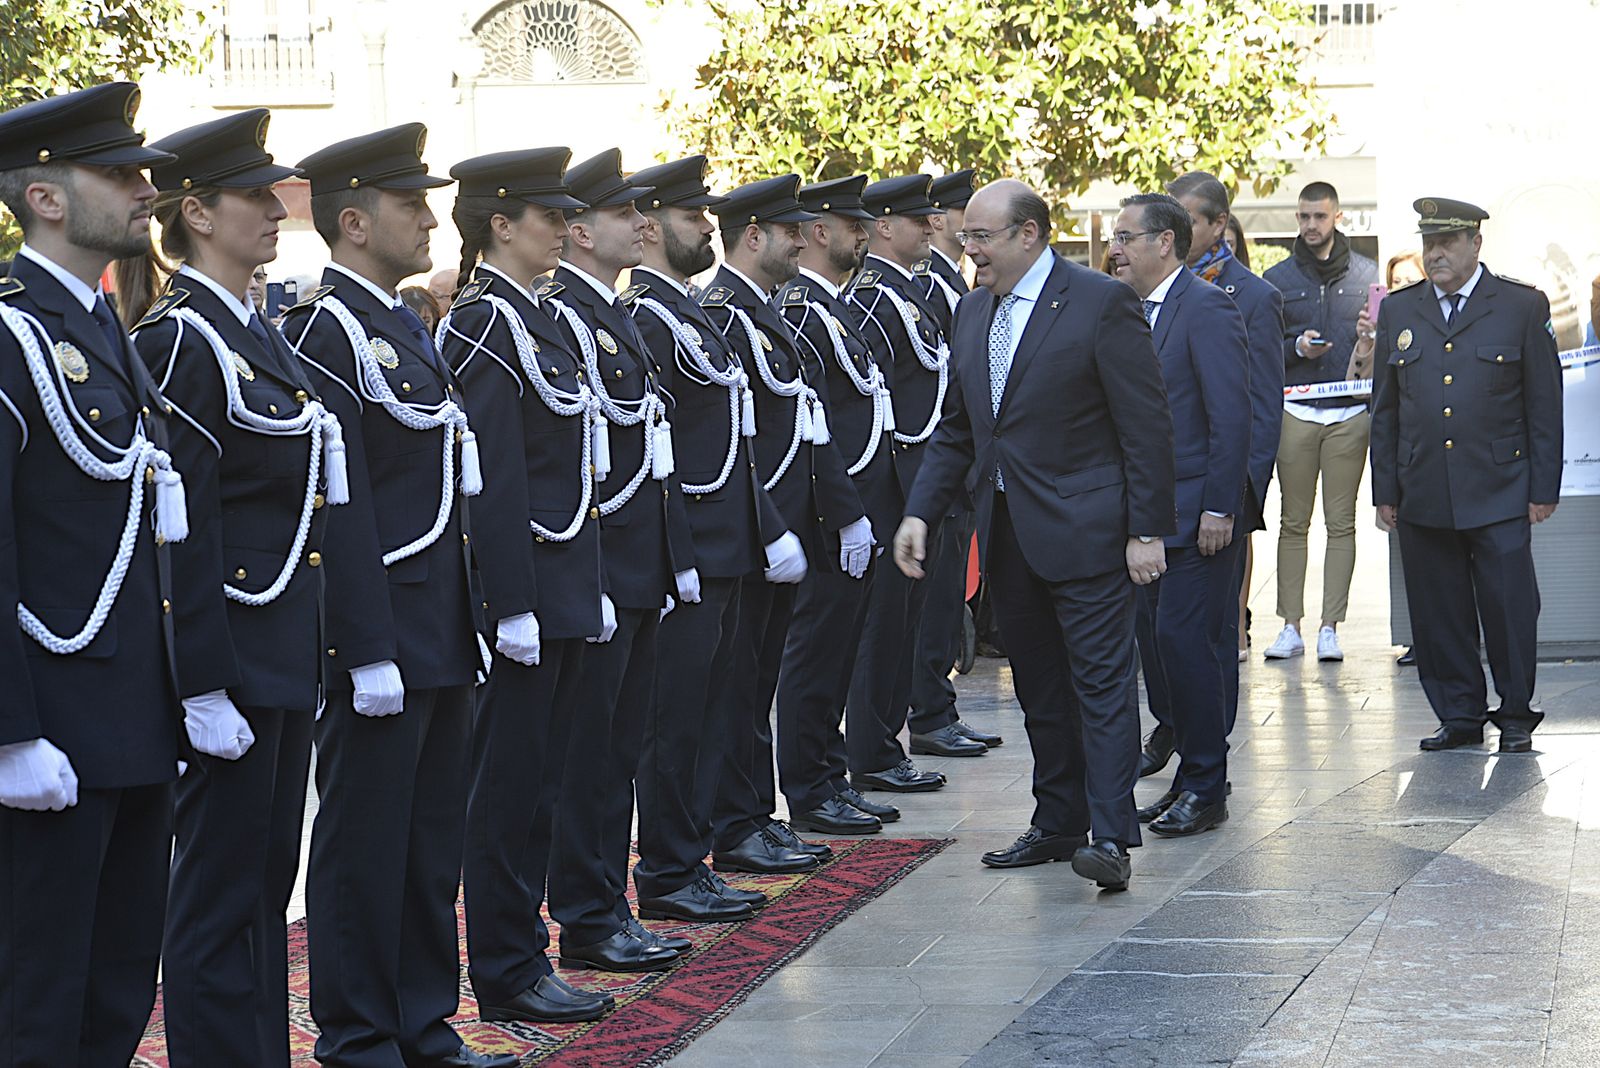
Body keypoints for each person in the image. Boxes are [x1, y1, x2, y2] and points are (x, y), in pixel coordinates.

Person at [283, 125, 513, 1068]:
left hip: (440, 627)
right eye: (409, 203)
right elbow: (341, 504)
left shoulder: (396, 324)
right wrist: (363, 645)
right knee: (361, 852)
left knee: (426, 853)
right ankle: (361, 1037)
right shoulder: (327, 331)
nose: (428, 218)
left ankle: (424, 1025)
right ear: (353, 219)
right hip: (382, 638)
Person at [116, 108, 334, 1068]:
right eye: (254, 195)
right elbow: (182, 524)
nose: (276, 208)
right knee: (216, 896)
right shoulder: (182, 340)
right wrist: (200, 679)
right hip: (234, 659)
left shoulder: (253, 329)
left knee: (261, 884)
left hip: (281, 643)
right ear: (196, 212)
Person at [893, 179, 1175, 890]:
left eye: (981, 236)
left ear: (1029, 234)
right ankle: (1057, 823)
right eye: (966, 237)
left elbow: (1146, 427)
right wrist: (920, 512)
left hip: (1091, 535)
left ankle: (1109, 837)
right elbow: (957, 430)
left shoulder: (1100, 302)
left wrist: (1147, 530)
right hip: (1009, 536)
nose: (968, 248)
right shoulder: (969, 312)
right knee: (1041, 690)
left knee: (1103, 687)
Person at [0, 80, 200, 1068]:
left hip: (129, 715)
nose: (145, 189)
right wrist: (10, 733)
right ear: (45, 197)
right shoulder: (12, 333)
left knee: (119, 982)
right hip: (54, 732)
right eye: (118, 173)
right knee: (38, 993)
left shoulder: (103, 326)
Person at [438, 148, 620, 1020]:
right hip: (524, 601)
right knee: (506, 795)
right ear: (500, 224)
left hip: (562, 589)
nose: (562, 227)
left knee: (543, 784)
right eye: (546, 216)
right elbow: (494, 480)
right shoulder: (484, 324)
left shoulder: (539, 318)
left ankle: (531, 956)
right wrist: (509, 604)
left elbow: (571, 470)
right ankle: (508, 970)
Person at [626, 160, 817, 927]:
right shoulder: (648, 316)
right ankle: (671, 868)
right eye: (686, 214)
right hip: (690, 555)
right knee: (676, 722)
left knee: (716, 709)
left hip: (726, 547)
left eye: (705, 213)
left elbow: (732, 443)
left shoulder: (684, 314)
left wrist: (763, 530)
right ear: (647, 224)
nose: (706, 225)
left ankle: (699, 849)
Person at [535, 150, 704, 930]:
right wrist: (595, 576)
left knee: (620, 751)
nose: (643, 224)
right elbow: (578, 465)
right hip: (603, 568)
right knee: (591, 758)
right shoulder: (567, 313)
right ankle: (588, 912)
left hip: (639, 567)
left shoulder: (608, 309)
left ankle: (608, 904)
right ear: (577, 232)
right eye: (622, 214)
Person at [694, 174, 870, 880]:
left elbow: (808, 424)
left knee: (755, 682)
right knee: (737, 690)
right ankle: (737, 823)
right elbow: (735, 445)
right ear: (755, 235)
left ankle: (751, 816)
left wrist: (843, 513)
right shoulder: (726, 314)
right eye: (791, 231)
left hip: (785, 533)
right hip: (754, 534)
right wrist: (769, 527)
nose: (804, 241)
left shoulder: (763, 312)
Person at [1370, 198, 1563, 754]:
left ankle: (1517, 712)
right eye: (1429, 242)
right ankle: (1459, 713)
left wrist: (1542, 487)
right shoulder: (1401, 311)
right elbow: (1385, 409)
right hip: (1424, 487)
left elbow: (1543, 404)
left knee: (1508, 606)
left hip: (1500, 486)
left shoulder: (1520, 305)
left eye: (1448, 242)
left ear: (1476, 244)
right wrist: (1386, 489)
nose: (1436, 253)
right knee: (1438, 611)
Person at [1111, 193, 1250, 837]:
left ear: (1163, 242)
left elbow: (1231, 418)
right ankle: (1186, 779)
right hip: (1149, 518)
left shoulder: (1207, 309)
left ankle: (1205, 784)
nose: (1114, 248)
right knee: (1160, 650)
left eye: (1125, 237)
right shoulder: (1132, 310)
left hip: (1200, 518)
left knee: (1186, 646)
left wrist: (1221, 505)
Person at [773, 174, 906, 834]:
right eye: (854, 226)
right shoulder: (801, 311)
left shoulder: (836, 308)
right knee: (815, 653)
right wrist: (842, 509)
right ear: (819, 232)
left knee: (837, 652)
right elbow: (811, 426)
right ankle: (808, 786)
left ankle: (828, 773)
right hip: (828, 513)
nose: (865, 235)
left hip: (857, 507)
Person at [1142, 171, 1282, 782]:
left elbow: (1253, 409)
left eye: (1192, 219)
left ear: (1217, 225)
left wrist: (1230, 502)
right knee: (1159, 635)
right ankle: (1175, 725)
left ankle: (1205, 752)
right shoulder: (1144, 296)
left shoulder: (1249, 298)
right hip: (1159, 502)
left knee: (1204, 634)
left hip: (1214, 500)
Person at [847, 174, 973, 788]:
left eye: (931, 218)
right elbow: (874, 402)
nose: (931, 227)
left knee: (915, 618)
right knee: (886, 628)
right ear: (883, 228)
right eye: (917, 219)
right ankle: (873, 749)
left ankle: (889, 744)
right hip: (897, 484)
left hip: (926, 483)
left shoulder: (911, 294)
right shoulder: (875, 298)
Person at [908, 168, 1003, 759]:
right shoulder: (936, 288)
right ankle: (929, 711)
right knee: (935, 601)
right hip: (943, 469)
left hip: (964, 473)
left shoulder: (956, 285)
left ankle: (936, 707)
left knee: (946, 601)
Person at [1262, 181, 1379, 663]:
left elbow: (1381, 346)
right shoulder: (1277, 278)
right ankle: (1290, 625)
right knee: (1292, 522)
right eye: (1304, 217)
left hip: (1350, 410)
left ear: (1337, 217)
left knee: (1342, 523)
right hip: (1295, 409)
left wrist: (1369, 338)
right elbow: (1264, 346)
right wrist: (1295, 347)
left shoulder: (1368, 275)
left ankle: (1331, 626)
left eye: (1320, 217)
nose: (1311, 225)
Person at [1374, 252, 1427, 667]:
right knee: (1416, 570)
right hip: (1414, 474)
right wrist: (1384, 490)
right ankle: (1419, 639)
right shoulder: (1392, 319)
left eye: (1411, 279)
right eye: (1396, 281)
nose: (1403, 287)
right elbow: (1384, 408)